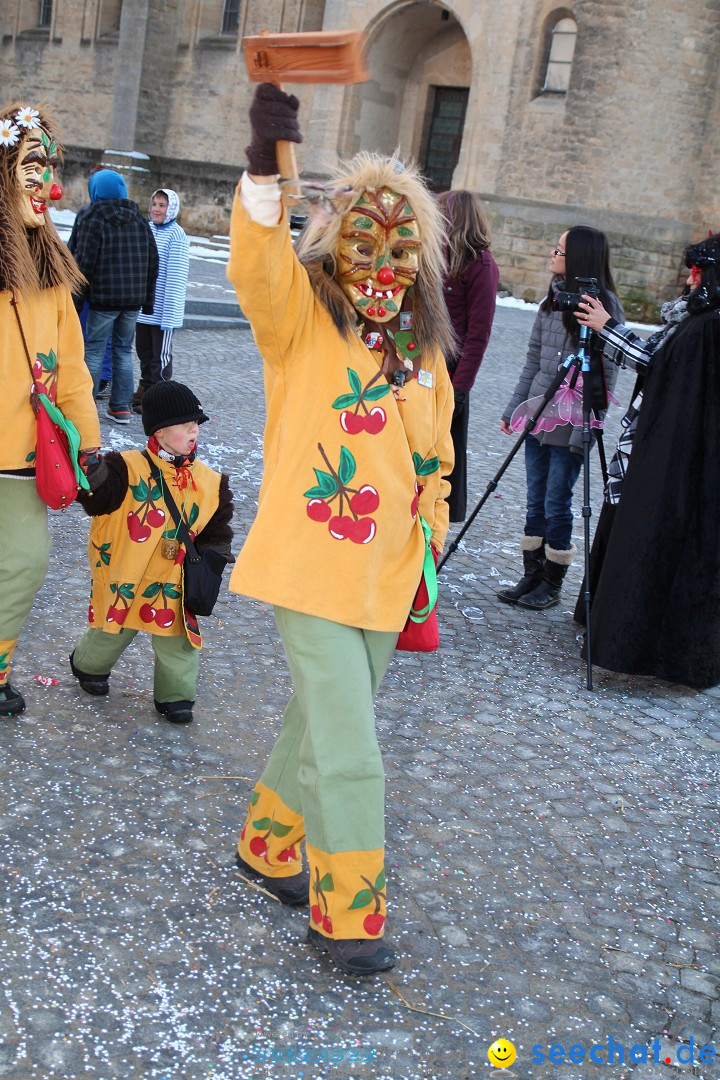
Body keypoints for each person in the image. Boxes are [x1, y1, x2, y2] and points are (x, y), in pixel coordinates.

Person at [226, 84, 454, 975]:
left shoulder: (425, 345)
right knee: (352, 749)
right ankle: (347, 916)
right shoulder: (303, 324)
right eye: (363, 235)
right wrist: (261, 165)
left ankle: (265, 845)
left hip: (388, 575)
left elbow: (433, 460)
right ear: (336, 239)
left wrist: (428, 546)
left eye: (400, 244)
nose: (381, 259)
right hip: (310, 567)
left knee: (317, 724)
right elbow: (258, 270)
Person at [575, 232, 720, 688]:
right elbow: (659, 362)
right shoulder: (693, 318)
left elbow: (659, 368)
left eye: (698, 272)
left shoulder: (707, 327)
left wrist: (606, 328)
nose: (690, 279)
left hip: (674, 464)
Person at [0, 101, 101, 717]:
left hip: (23, 455)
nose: (49, 184)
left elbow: (72, 369)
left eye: (51, 167)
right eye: (32, 166)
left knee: (25, 565)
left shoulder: (53, 271)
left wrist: (87, 441)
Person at [68, 380, 234, 724]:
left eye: (196, 424)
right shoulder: (124, 468)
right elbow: (96, 499)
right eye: (184, 424)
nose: (193, 430)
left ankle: (176, 696)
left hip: (174, 579)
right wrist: (89, 467)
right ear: (158, 432)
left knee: (179, 640)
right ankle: (88, 665)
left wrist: (211, 565)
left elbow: (216, 532)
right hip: (127, 572)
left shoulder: (211, 482)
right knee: (113, 629)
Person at [496, 226, 623, 611]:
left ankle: (551, 582)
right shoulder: (551, 302)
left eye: (560, 251)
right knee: (535, 499)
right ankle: (530, 575)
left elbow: (606, 374)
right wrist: (514, 409)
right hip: (538, 412)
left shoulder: (603, 309)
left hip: (572, 419)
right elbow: (533, 360)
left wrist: (589, 425)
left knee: (556, 501)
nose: (552, 255)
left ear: (580, 259)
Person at [71, 169, 159, 424]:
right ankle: (121, 407)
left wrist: (76, 299)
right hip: (132, 300)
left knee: (95, 350)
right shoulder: (139, 219)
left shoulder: (93, 218)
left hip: (103, 299)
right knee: (122, 350)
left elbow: (83, 262)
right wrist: (147, 299)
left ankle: (83, 407)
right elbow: (153, 261)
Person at [436, 190, 499, 522]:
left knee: (444, 451)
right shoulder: (433, 253)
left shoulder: (481, 266)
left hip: (450, 370)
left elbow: (478, 335)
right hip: (421, 362)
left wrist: (460, 388)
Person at [132, 188, 190, 413]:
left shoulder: (176, 235)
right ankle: (146, 388)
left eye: (162, 205)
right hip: (145, 307)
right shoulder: (146, 230)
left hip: (164, 309)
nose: (157, 209)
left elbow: (175, 278)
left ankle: (159, 397)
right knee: (144, 352)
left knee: (160, 357)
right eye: (154, 204)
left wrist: (169, 315)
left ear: (171, 209)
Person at [67, 172, 113, 397]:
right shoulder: (129, 214)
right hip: (116, 289)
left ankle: (90, 384)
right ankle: (104, 377)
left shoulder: (89, 213)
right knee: (107, 338)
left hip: (90, 285)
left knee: (90, 336)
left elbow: (77, 249)